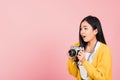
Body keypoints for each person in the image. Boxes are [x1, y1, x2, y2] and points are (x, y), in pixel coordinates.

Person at [67, 15, 112, 80]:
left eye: (85, 28)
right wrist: (71, 59)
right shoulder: (78, 46)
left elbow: (102, 77)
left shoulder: (104, 50)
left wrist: (84, 62)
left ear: (95, 31)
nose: (82, 32)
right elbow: (74, 73)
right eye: (81, 29)